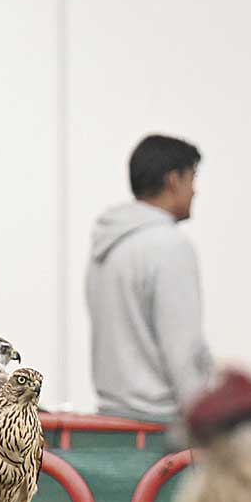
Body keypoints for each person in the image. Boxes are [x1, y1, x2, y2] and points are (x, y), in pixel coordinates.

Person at [86, 134, 214, 424]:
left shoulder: (107, 244)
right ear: (173, 180)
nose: (195, 191)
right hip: (160, 430)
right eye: (192, 179)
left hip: (110, 422)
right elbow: (183, 348)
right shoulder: (169, 245)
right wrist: (206, 426)